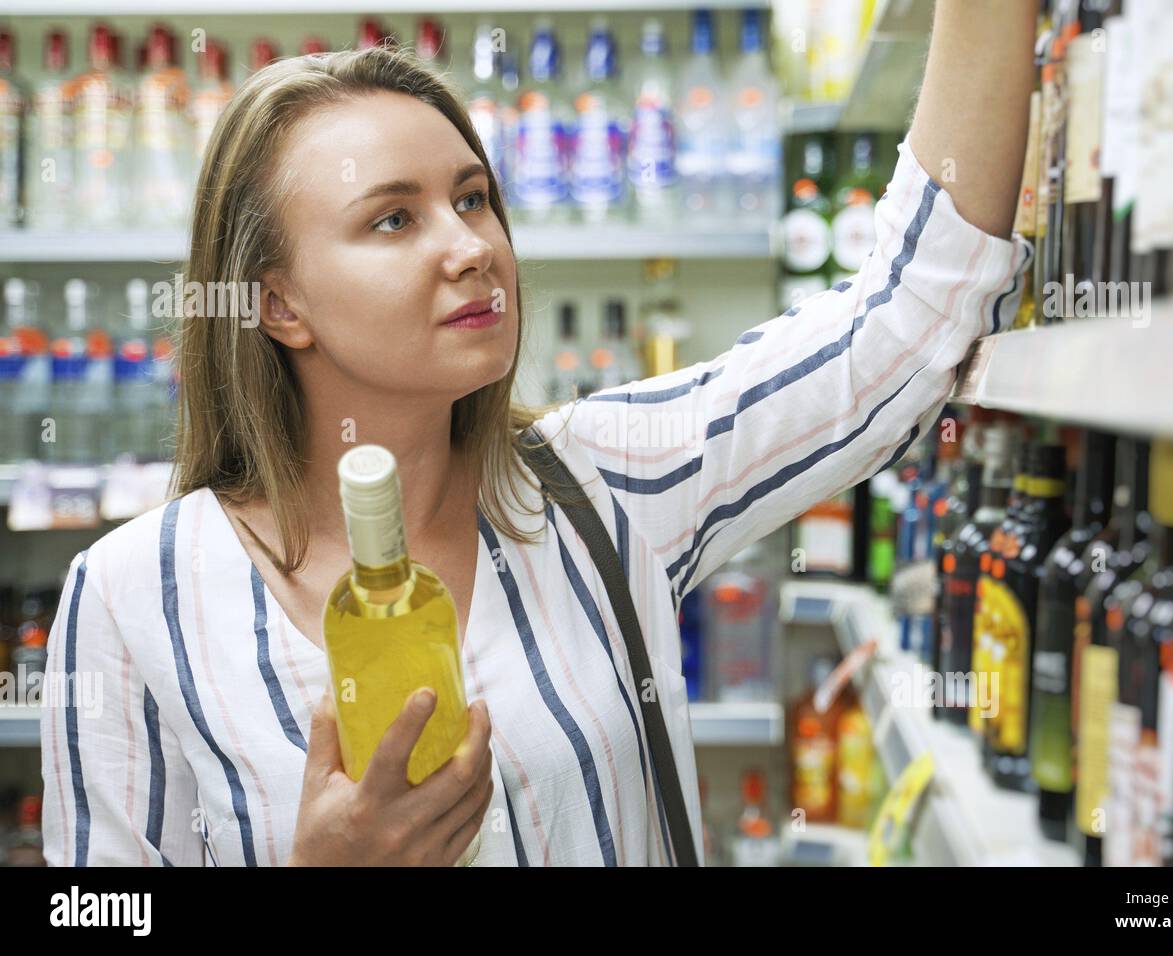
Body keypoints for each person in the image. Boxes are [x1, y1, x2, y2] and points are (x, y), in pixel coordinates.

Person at [39, 1, 1038, 866]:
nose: (472, 247)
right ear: (279, 303)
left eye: (473, 198)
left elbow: (908, 319)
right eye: (395, 220)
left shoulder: (608, 484)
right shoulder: (135, 595)